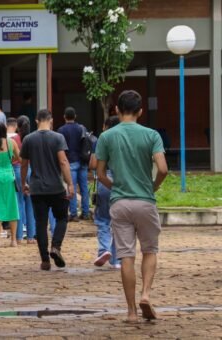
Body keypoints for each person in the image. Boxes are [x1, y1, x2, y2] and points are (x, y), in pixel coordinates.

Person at [95, 90, 168, 323]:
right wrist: (153, 186)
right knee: (150, 250)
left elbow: (99, 173)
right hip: (145, 200)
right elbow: (163, 169)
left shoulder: (107, 136)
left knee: (126, 255)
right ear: (140, 111)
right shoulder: (151, 135)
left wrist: (114, 185)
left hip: (120, 202)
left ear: (117, 110)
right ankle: (145, 295)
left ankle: (131, 312)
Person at [20, 109, 74, 271]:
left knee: (41, 224)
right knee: (62, 218)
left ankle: (45, 260)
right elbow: (63, 162)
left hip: (37, 188)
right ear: (50, 120)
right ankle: (55, 246)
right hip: (56, 187)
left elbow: (24, 164)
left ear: (36, 121)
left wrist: (24, 183)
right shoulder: (58, 138)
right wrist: (70, 183)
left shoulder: (28, 139)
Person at [89, 115, 121, 269]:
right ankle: (117, 260)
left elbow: (94, 164)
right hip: (122, 181)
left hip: (105, 180)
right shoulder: (124, 137)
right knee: (120, 222)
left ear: (106, 126)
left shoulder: (103, 138)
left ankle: (104, 249)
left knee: (103, 219)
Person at [57, 107, 90, 221]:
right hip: (83, 161)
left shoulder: (61, 130)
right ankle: (85, 213)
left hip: (70, 161)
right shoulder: (81, 128)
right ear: (75, 116)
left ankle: (74, 213)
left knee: (72, 187)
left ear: (64, 117)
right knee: (84, 188)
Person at [14, 116, 37, 244]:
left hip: (18, 170)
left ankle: (18, 237)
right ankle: (31, 236)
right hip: (32, 170)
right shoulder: (33, 139)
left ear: (17, 126)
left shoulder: (14, 139)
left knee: (19, 203)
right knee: (30, 204)